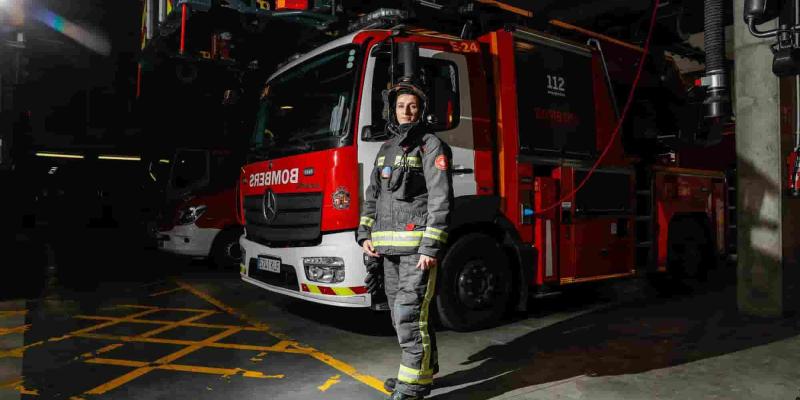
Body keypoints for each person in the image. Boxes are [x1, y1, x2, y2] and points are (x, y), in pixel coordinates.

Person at [356, 81, 453, 400]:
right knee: (403, 317)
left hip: (416, 251)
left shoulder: (430, 144)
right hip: (388, 251)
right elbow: (372, 196)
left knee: (409, 315)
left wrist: (430, 247)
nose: (406, 111)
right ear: (392, 110)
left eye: (412, 106)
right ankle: (421, 371)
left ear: (421, 110)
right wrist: (364, 234)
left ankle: (412, 387)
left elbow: (441, 199)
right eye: (400, 106)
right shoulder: (386, 148)